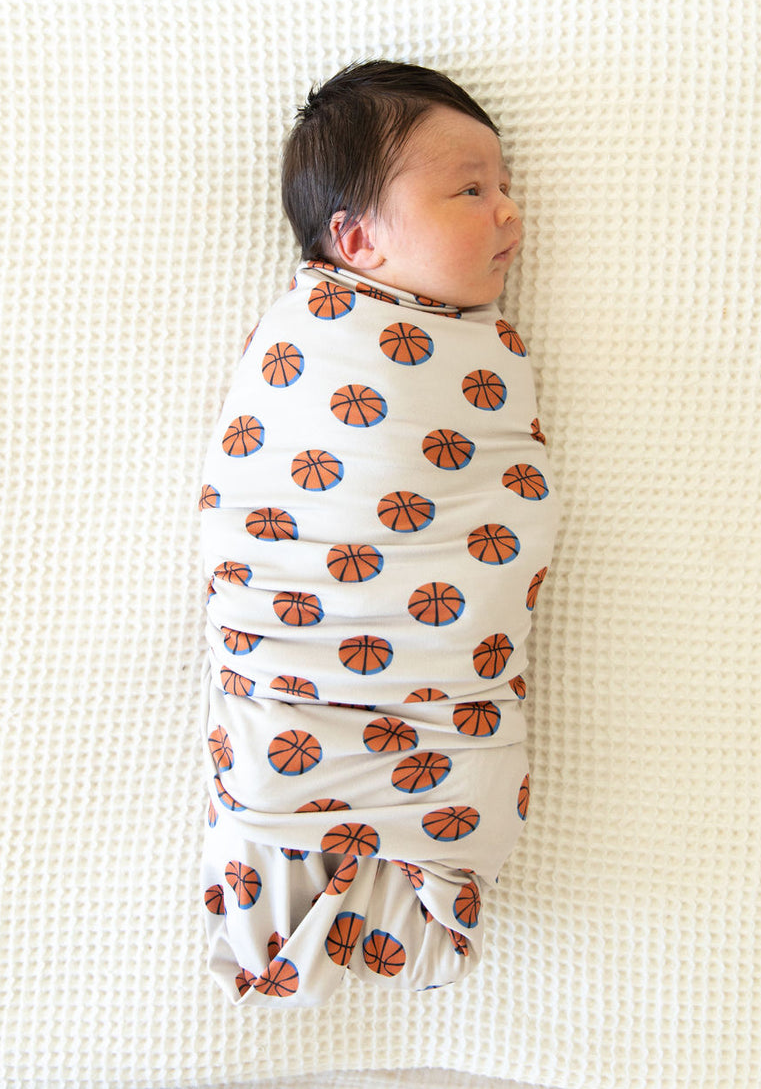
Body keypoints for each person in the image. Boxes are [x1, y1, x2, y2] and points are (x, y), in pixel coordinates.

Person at [198, 60, 557, 1006]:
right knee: (277, 768)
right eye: (472, 191)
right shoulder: (313, 340)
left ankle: (392, 890)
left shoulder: (481, 348)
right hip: (298, 661)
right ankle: (280, 889)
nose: (510, 211)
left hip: (448, 678)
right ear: (357, 238)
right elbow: (261, 491)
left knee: (450, 786)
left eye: (505, 186)